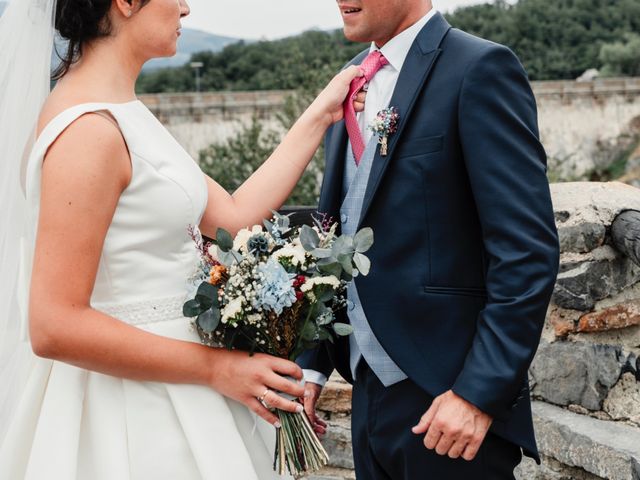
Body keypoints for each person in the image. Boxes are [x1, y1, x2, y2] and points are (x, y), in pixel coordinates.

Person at [0, 0, 365, 478]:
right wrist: (217, 370)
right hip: (134, 413)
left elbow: (233, 217)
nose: (187, 8)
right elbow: (54, 324)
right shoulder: (88, 132)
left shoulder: (125, 113)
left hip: (181, 393)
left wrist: (320, 113)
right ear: (126, 3)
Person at [300, 0, 560, 478]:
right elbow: (337, 227)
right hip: (366, 389)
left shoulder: (479, 68)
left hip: (449, 405)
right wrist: (311, 365)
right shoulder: (351, 77)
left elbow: (526, 250)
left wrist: (476, 394)